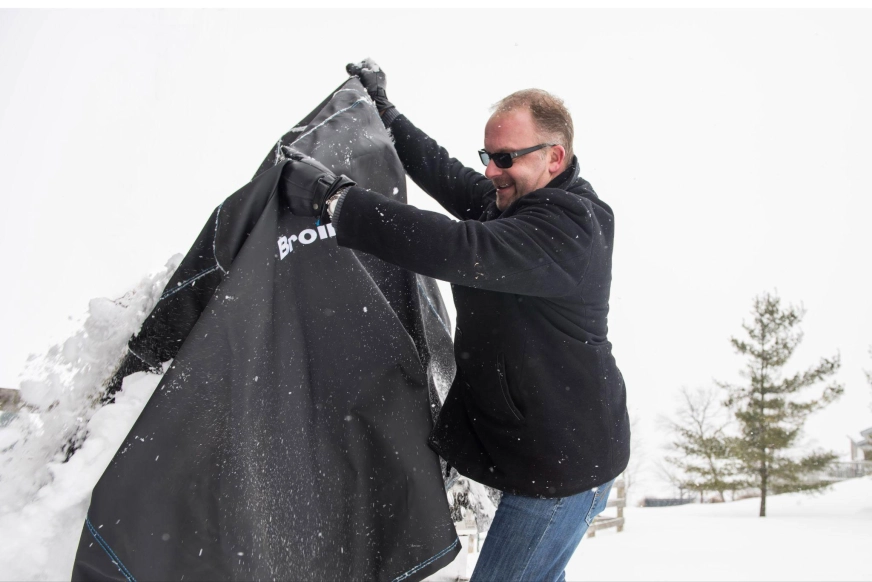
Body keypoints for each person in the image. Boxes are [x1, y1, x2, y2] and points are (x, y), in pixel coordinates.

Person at [284, 59, 630, 582]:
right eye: (489, 156)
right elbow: (445, 172)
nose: (491, 171)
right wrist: (385, 112)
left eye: (506, 158)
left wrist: (337, 202)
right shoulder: (512, 202)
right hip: (544, 452)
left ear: (554, 157)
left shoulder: (571, 228)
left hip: (560, 471)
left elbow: (455, 247)